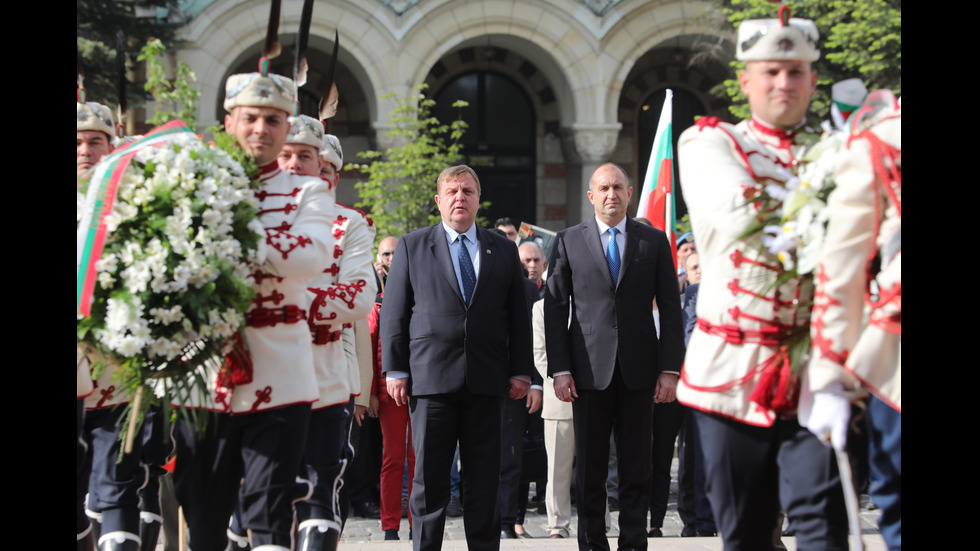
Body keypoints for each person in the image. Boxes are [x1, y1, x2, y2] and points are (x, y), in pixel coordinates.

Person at [676, 9, 848, 550]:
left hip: (815, 376)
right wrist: (848, 199)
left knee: (823, 531)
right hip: (732, 375)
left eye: (795, 71)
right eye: (770, 71)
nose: (783, 83)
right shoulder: (709, 144)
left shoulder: (837, 151)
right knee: (747, 536)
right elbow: (740, 213)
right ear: (746, 79)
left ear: (813, 81)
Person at [170, 69, 334, 551]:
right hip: (202, 374)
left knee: (267, 513)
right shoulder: (192, 184)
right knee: (203, 515)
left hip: (280, 372)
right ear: (229, 121)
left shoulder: (309, 192)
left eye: (273, 119)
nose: (261, 128)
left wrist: (233, 231)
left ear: (287, 127)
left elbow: (312, 253)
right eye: (251, 118)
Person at [381, 165, 534, 551]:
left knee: (483, 478)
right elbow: (395, 313)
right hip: (430, 380)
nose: (459, 198)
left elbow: (517, 316)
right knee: (429, 481)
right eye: (451, 191)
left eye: (467, 191)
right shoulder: (413, 247)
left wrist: (522, 371)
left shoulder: (502, 248)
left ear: (478, 199)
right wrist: (395, 369)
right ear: (438, 200)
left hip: (487, 380)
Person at [544, 162, 684, 551]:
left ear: (630, 192)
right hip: (587, 373)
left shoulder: (652, 242)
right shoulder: (569, 240)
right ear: (591, 196)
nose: (611, 195)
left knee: (636, 467)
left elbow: (671, 309)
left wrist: (670, 370)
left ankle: (633, 543)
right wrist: (560, 369)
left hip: (640, 371)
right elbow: (555, 309)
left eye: (618, 187)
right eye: (603, 188)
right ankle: (591, 543)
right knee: (589, 468)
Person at [807, 91, 901, 550]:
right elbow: (844, 267)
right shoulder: (881, 141)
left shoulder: (877, 141)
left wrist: (828, 370)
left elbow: (844, 267)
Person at [280, 118, 378, 549]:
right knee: (266, 492)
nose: (305, 172)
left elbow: (357, 301)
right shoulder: (255, 212)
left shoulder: (350, 225)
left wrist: (278, 304)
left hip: (326, 376)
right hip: (264, 376)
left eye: (319, 166)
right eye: (294, 158)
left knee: (322, 489)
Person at [78, 99, 148, 551]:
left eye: (95, 141)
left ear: (111, 145)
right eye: (77, 142)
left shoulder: (138, 205)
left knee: (120, 482)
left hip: (119, 371)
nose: (85, 150)